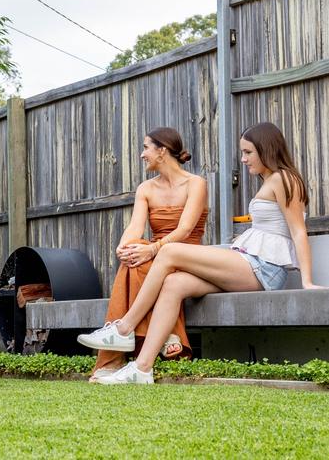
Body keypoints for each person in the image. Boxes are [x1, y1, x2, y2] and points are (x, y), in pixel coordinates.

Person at [80, 122, 324, 385]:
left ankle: (125, 327)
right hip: (249, 262)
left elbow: (299, 232)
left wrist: (306, 281)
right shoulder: (270, 180)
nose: (243, 159)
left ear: (267, 149)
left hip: (262, 268)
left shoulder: (284, 178)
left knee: (168, 251)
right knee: (174, 283)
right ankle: (142, 368)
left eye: (248, 152)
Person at [77, 127, 208, 383]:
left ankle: (112, 360)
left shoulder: (196, 184)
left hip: (189, 258)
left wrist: (151, 249)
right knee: (132, 258)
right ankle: (167, 337)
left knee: (142, 258)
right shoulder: (145, 189)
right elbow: (135, 227)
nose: (142, 154)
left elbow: (185, 229)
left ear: (162, 151)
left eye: (146, 148)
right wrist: (124, 247)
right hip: (156, 258)